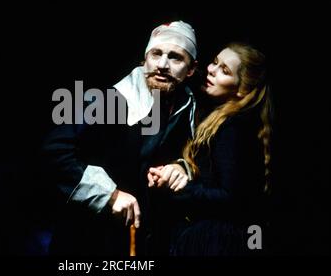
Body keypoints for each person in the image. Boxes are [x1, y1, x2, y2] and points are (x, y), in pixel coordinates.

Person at [42, 20, 198, 255]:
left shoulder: (188, 110)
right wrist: (109, 195)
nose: (163, 65)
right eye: (156, 54)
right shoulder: (106, 101)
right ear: (145, 59)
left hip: (146, 240)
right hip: (90, 239)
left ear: (192, 69)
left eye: (175, 57)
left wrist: (181, 167)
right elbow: (54, 151)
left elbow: (199, 160)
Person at [147, 42, 272, 255]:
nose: (211, 70)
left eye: (224, 71)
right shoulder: (218, 117)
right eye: (215, 62)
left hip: (215, 241)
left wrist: (180, 188)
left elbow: (231, 197)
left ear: (242, 90)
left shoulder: (235, 126)